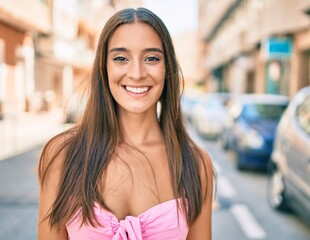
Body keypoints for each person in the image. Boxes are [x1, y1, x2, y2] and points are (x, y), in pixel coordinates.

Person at [37, 7, 215, 240]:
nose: (137, 73)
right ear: (104, 67)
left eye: (151, 58)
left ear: (167, 68)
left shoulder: (196, 165)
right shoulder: (62, 155)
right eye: (121, 58)